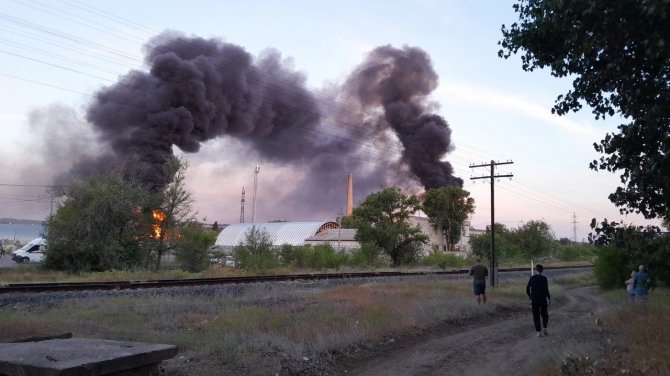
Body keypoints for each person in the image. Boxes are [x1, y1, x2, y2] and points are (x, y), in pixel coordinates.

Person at [526, 264, 550, 337]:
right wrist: (548, 298)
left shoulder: (532, 278)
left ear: (536, 270)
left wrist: (530, 296)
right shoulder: (544, 278)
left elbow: (527, 289)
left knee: (536, 316)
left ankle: (538, 332)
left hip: (535, 299)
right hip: (543, 299)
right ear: (542, 270)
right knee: (545, 314)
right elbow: (546, 290)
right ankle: (545, 328)